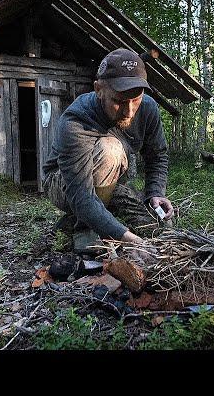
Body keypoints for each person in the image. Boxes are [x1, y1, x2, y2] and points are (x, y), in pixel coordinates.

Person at [43, 48, 174, 251]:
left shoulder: (148, 108)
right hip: (63, 183)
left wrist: (155, 192)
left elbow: (157, 156)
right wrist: (128, 238)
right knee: (110, 149)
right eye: (119, 101)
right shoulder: (76, 121)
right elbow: (81, 194)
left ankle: (88, 217)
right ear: (98, 89)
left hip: (109, 183)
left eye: (136, 99)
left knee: (158, 224)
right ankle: (83, 227)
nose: (129, 111)